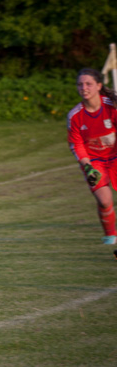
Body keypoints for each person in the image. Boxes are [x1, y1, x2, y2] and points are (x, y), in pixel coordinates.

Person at [66, 67, 117, 244]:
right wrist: (87, 166)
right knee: (104, 200)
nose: (84, 88)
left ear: (98, 86)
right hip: (94, 161)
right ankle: (110, 235)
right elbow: (76, 144)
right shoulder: (75, 116)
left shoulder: (112, 106)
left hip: (115, 157)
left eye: (88, 84)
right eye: (80, 85)